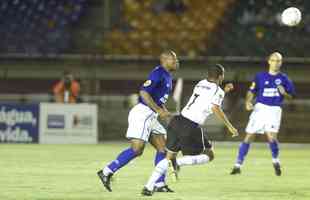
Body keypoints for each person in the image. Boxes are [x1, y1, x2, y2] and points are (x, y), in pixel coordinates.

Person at [141, 64, 239, 196]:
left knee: (169, 157)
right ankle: (179, 163)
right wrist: (230, 126)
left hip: (177, 121)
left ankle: (148, 186)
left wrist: (224, 90)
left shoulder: (200, 83)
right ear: (221, 76)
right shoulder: (218, 91)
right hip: (191, 126)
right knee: (209, 154)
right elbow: (215, 107)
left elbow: (208, 97)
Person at [97, 50, 179, 192]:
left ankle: (159, 183)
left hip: (151, 115)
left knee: (163, 148)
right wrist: (158, 110)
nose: (176, 61)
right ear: (164, 60)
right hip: (143, 113)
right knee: (137, 149)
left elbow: (157, 97)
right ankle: (106, 172)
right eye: (173, 59)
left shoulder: (168, 76)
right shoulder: (158, 72)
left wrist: (163, 110)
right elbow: (143, 92)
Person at [230, 52, 295, 176]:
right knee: (249, 136)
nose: (276, 63)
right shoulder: (260, 76)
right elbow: (251, 91)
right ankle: (238, 165)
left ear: (281, 63)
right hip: (260, 109)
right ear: (269, 61)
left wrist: (284, 94)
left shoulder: (284, 78)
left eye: (279, 61)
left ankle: (275, 161)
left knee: (271, 137)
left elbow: (291, 96)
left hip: (274, 109)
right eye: (274, 60)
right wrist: (248, 102)